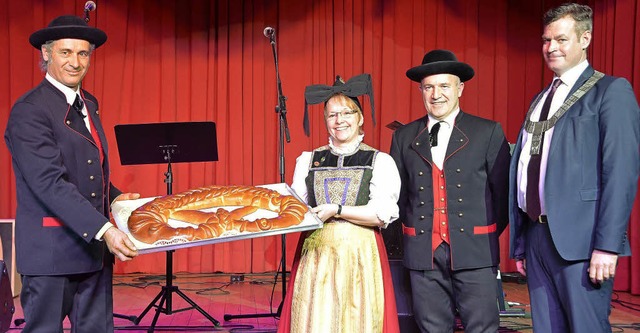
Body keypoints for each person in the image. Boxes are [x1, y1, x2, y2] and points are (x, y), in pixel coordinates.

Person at [509, 3, 640, 332]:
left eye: (561, 39)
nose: (550, 47)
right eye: (546, 40)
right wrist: (522, 242)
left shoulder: (610, 91)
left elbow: (621, 174)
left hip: (581, 243)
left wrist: (607, 245)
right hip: (537, 235)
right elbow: (528, 167)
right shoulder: (540, 99)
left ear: (585, 38)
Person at [4, 15, 140, 332]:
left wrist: (117, 198)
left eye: (83, 54)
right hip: (51, 252)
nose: (75, 62)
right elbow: (50, 183)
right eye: (65, 52)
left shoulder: (89, 103)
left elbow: (86, 171)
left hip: (93, 253)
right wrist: (106, 229)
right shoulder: (29, 110)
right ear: (46, 54)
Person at [390, 49, 511, 332]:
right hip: (423, 253)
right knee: (431, 328)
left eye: (444, 86)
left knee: (482, 327)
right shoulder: (404, 136)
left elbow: (503, 197)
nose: (436, 94)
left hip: (476, 251)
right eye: (429, 87)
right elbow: (398, 197)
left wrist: (479, 233)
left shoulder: (487, 132)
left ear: (460, 88)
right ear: (420, 90)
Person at [277, 74, 401, 333]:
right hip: (317, 255)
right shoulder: (309, 160)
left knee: (358, 317)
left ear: (360, 118)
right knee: (317, 319)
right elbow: (297, 208)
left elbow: (381, 215)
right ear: (325, 121)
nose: (340, 121)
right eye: (332, 115)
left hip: (361, 252)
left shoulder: (379, 161)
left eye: (347, 113)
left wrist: (339, 210)